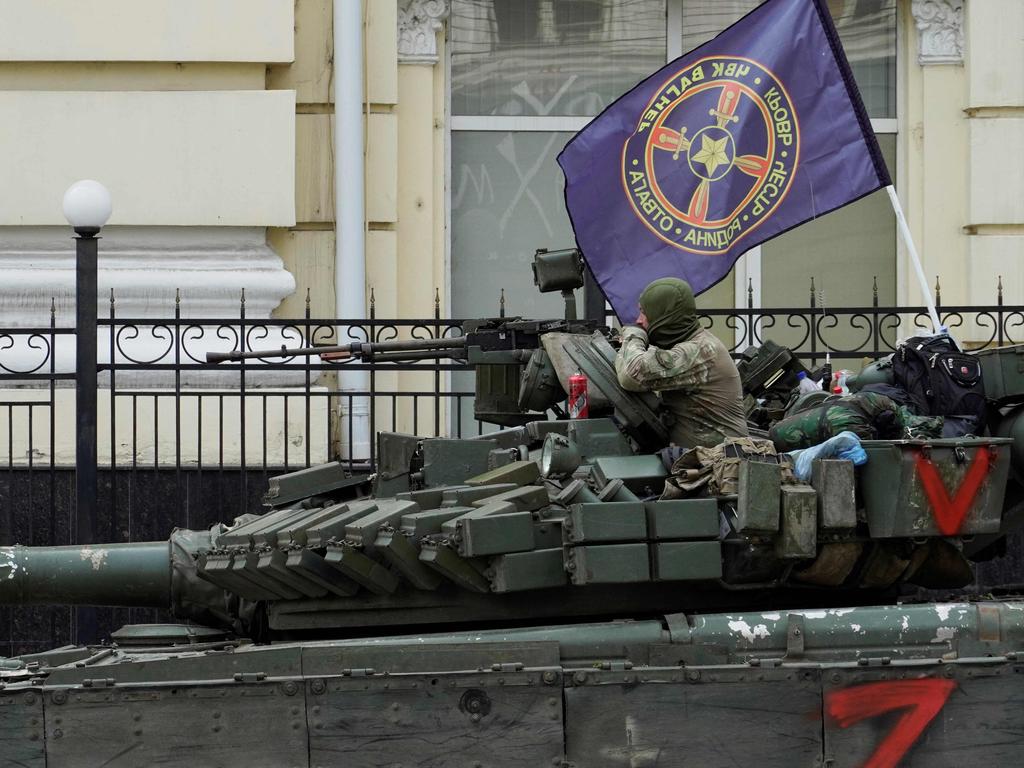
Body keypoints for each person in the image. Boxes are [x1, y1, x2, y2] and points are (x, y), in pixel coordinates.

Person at [615, 277, 748, 449]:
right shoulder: (688, 344)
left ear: (665, 314)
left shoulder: (699, 350)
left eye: (644, 312)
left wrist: (634, 335)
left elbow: (631, 375)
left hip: (718, 466)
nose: (639, 320)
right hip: (700, 460)